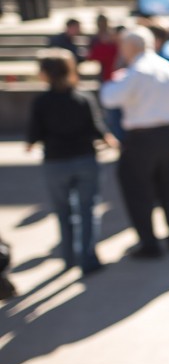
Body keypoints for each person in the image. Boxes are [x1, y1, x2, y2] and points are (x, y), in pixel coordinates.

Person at [27, 48, 116, 275]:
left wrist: (31, 143)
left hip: (56, 163)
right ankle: (88, 258)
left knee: (63, 212)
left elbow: (33, 135)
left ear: (46, 73)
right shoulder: (83, 98)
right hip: (85, 160)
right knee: (87, 211)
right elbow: (98, 129)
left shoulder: (42, 102)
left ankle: (69, 258)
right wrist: (109, 140)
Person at [100, 28, 169, 258]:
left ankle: (149, 243)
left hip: (142, 138)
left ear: (128, 48)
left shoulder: (136, 71)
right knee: (166, 187)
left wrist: (115, 77)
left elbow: (109, 98)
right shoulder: (166, 66)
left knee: (138, 191)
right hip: (166, 134)